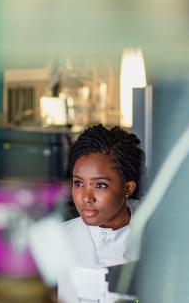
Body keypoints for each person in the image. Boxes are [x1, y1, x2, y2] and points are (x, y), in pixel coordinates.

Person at [58, 124, 145, 301]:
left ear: (127, 189)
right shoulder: (59, 239)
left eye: (100, 185)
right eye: (78, 183)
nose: (86, 198)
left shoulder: (157, 235)